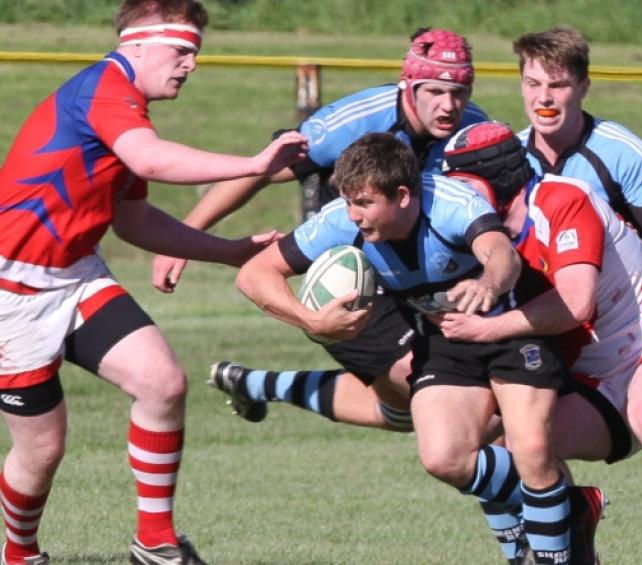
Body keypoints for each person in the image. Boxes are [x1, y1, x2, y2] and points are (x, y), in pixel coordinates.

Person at [0, 1, 306, 563]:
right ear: (136, 44)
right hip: (11, 292)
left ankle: (155, 542)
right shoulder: (105, 92)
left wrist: (229, 252)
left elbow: (135, 219)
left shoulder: (124, 107)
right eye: (182, 50)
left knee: (163, 383)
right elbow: (152, 158)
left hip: (75, 275)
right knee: (42, 449)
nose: (191, 64)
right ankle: (19, 555)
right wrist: (254, 163)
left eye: (196, 53)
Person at [232, 133, 587, 564]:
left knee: (529, 448)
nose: (353, 216)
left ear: (403, 196)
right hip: (447, 339)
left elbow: (501, 256)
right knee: (444, 457)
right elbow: (255, 274)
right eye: (348, 202)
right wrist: (311, 320)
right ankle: (565, 505)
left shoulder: (452, 205)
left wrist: (487, 284)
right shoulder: (340, 222)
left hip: (513, 329)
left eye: (364, 203)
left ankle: (552, 546)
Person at [436, 121, 642, 565]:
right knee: (515, 446)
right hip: (592, 382)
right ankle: (570, 525)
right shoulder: (478, 236)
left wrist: (487, 329)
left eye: (460, 186)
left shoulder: (562, 199)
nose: (452, 200)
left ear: (490, 180)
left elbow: (576, 304)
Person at [188, 27, 490, 435]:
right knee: (432, 393)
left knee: (427, 407)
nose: (448, 105)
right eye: (434, 91)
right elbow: (261, 168)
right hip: (354, 264)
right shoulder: (356, 122)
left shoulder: (475, 129)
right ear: (410, 83)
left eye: (459, 92)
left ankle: (254, 384)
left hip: (425, 268)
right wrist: (186, 237)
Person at [513, 26, 642, 269]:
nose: (544, 97)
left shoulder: (623, 152)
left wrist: (603, 271)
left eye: (558, 85)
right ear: (522, 85)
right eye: (533, 84)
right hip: (535, 299)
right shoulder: (509, 156)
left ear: (583, 87)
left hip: (612, 299)